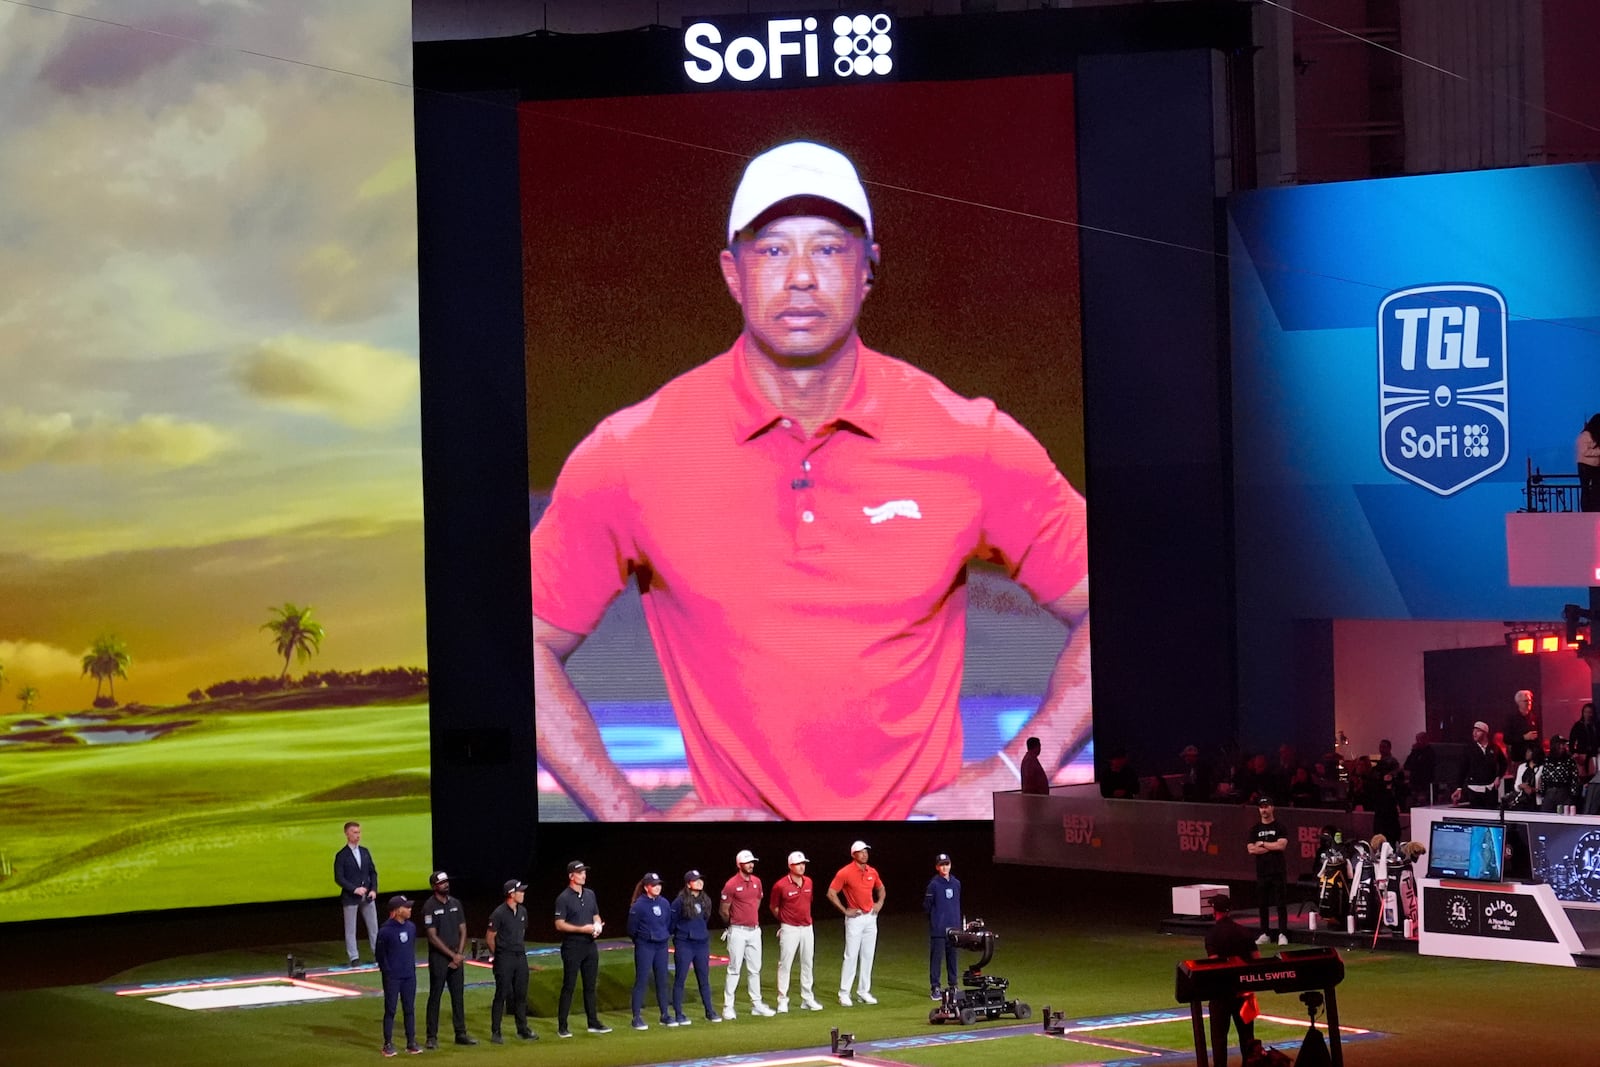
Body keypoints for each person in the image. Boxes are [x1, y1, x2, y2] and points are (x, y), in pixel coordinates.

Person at [530, 140, 1091, 822]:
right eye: (772, 250)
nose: (800, 275)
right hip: (738, 884)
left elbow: (1121, 606)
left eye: (828, 248)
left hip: (918, 865)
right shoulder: (632, 452)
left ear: (868, 270)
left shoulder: (968, 440)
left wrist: (1015, 767)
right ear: (732, 272)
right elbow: (521, 641)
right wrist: (633, 820)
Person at [419, 871, 477, 1049]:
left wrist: (459, 954)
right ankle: (431, 1037)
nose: (446, 884)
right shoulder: (429, 907)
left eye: (446, 881)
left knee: (458, 997)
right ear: (434, 886)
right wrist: (452, 956)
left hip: (456, 957)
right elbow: (432, 936)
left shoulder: (455, 903)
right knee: (435, 996)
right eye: (442, 882)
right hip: (439, 959)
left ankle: (460, 1034)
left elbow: (463, 929)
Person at [554, 860, 611, 1038]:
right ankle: (562, 1026)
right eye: (580, 873)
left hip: (589, 945)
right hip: (572, 946)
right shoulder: (563, 898)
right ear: (571, 876)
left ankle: (592, 1022)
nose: (584, 875)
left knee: (590, 986)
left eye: (584, 872)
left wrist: (596, 926)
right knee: (569, 986)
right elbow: (559, 924)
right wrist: (582, 929)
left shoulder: (590, 894)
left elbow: (595, 914)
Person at [827, 840, 886, 1005]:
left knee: (868, 955)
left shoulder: (872, 871)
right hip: (855, 919)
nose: (865, 854)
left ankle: (863, 991)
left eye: (866, 851)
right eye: (861, 851)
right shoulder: (845, 872)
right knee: (851, 955)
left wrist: (879, 903)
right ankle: (844, 993)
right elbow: (831, 893)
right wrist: (845, 910)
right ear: (854, 855)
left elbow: (881, 888)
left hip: (870, 918)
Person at [718, 849, 775, 1019]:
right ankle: (728, 1006)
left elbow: (757, 901)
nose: (751, 865)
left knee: (755, 969)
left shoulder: (757, 881)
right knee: (734, 969)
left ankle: (757, 1004)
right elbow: (723, 910)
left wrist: (750, 918)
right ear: (739, 864)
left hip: (754, 931)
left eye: (752, 862)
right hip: (738, 931)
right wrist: (736, 922)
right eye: (747, 862)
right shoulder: (731, 884)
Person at [1203, 895, 1259, 1067]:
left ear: (1214, 911)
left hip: (1221, 994)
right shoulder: (1244, 932)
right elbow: (1256, 960)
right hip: (1243, 993)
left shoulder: (1212, 935)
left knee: (1219, 1040)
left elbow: (1215, 965)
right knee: (1247, 1039)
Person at [768, 851, 822, 1013]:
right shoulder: (780, 885)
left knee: (807, 962)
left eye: (803, 863)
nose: (802, 866)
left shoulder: (809, 882)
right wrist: (784, 921)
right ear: (790, 866)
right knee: (785, 964)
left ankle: (807, 998)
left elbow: (807, 902)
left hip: (807, 927)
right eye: (798, 864)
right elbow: (773, 906)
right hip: (789, 928)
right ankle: (782, 1000)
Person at [670, 869, 721, 1024]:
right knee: (680, 978)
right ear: (688, 884)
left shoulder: (705, 900)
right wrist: (680, 936)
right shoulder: (679, 901)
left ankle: (709, 1011)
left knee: (704, 979)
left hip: (701, 944)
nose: (700, 882)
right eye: (695, 880)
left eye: (701, 879)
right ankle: (679, 1014)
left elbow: (704, 919)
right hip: (684, 943)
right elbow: (672, 923)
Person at [486, 879, 534, 1043]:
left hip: (520, 957)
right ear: (511, 894)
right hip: (504, 958)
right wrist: (499, 955)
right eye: (520, 891)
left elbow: (522, 932)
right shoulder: (498, 913)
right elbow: (490, 937)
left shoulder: (523, 911)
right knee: (501, 994)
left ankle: (522, 1029)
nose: (523, 893)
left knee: (521, 995)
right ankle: (496, 1032)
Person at [374, 895, 420, 1057]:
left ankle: (411, 1042)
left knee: (409, 1009)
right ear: (397, 910)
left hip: (409, 975)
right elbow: (380, 955)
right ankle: (387, 1044)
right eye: (406, 907)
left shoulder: (411, 927)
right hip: (393, 977)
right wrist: (388, 972)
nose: (410, 909)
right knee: (391, 1010)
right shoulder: (385, 931)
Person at [627, 872, 673, 1030]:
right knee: (641, 980)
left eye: (659, 884)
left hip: (661, 945)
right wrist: (641, 940)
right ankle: (636, 1017)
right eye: (654, 885)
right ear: (646, 887)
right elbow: (631, 929)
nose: (657, 887)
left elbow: (667, 923)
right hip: (645, 946)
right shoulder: (638, 905)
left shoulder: (665, 903)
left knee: (662, 980)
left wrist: (662, 936)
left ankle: (664, 1014)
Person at [333, 820, 378, 966]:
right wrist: (354, 889)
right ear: (347, 834)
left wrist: (373, 889)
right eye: (354, 832)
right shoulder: (342, 855)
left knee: (373, 928)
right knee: (351, 929)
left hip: (368, 896)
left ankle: (378, 953)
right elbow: (339, 878)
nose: (358, 835)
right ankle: (354, 957)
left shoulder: (364, 852)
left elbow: (372, 872)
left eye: (359, 832)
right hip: (351, 898)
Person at [1246, 797, 1290, 946]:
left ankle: (1282, 933)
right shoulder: (1255, 829)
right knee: (1262, 904)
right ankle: (1264, 933)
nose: (1264, 810)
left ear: (1272, 808)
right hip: (1262, 872)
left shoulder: (1280, 827)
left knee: (1280, 903)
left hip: (1277, 870)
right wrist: (1271, 846)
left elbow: (1281, 846)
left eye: (1266, 807)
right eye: (1261, 807)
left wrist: (1264, 844)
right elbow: (1251, 849)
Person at [922, 853, 961, 1000]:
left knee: (953, 958)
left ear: (950, 865)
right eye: (942, 865)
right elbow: (927, 906)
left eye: (947, 864)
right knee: (936, 959)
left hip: (954, 929)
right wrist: (935, 920)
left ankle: (953, 985)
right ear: (937, 867)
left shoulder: (956, 883)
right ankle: (935, 987)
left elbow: (956, 904)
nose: (945, 867)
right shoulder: (933, 885)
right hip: (939, 929)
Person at [1451, 720, 1506, 809]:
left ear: (1485, 733)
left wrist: (1498, 777)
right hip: (1474, 789)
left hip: (1490, 789)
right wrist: (1459, 788)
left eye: (1478, 731)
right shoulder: (1469, 749)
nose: (1474, 733)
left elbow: (1503, 763)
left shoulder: (1494, 748)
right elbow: (1462, 770)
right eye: (1474, 731)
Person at [1541, 735, 1580, 812]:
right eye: (1560, 744)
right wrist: (1543, 792)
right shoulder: (1547, 760)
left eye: (1563, 744)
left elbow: (1574, 778)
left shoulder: (1569, 761)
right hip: (1549, 792)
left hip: (1564, 792)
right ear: (1554, 745)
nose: (1562, 746)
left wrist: (1573, 795)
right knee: (1546, 816)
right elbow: (1544, 777)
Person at [1504, 689, 1541, 767]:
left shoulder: (1534, 717)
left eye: (1530, 700)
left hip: (1533, 759)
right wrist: (1524, 737)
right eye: (1526, 701)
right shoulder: (1512, 718)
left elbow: (1539, 737)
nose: (1529, 703)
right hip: (1519, 758)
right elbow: (1507, 739)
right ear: (1518, 703)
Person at [1402, 731, 1436, 807]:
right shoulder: (1415, 752)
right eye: (1417, 740)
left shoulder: (1430, 752)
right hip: (1414, 782)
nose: (1418, 742)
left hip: (1424, 783)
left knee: (1422, 803)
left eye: (1419, 740)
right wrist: (1413, 751)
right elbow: (1407, 765)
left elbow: (1426, 767)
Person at [1569, 703, 1599, 780]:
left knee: (1594, 776)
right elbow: (1571, 740)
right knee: (1582, 778)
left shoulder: (1596, 725)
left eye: (1590, 712)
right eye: (1585, 712)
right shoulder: (1578, 725)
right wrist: (1574, 752)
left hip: (1594, 754)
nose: (1587, 714)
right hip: (1582, 755)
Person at [1577, 412, 1600, 512]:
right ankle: (1587, 510)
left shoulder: (1594, 436)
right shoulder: (1585, 435)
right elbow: (1584, 451)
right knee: (1585, 489)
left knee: (1596, 489)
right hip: (1585, 466)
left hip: (1595, 466)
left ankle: (1595, 508)